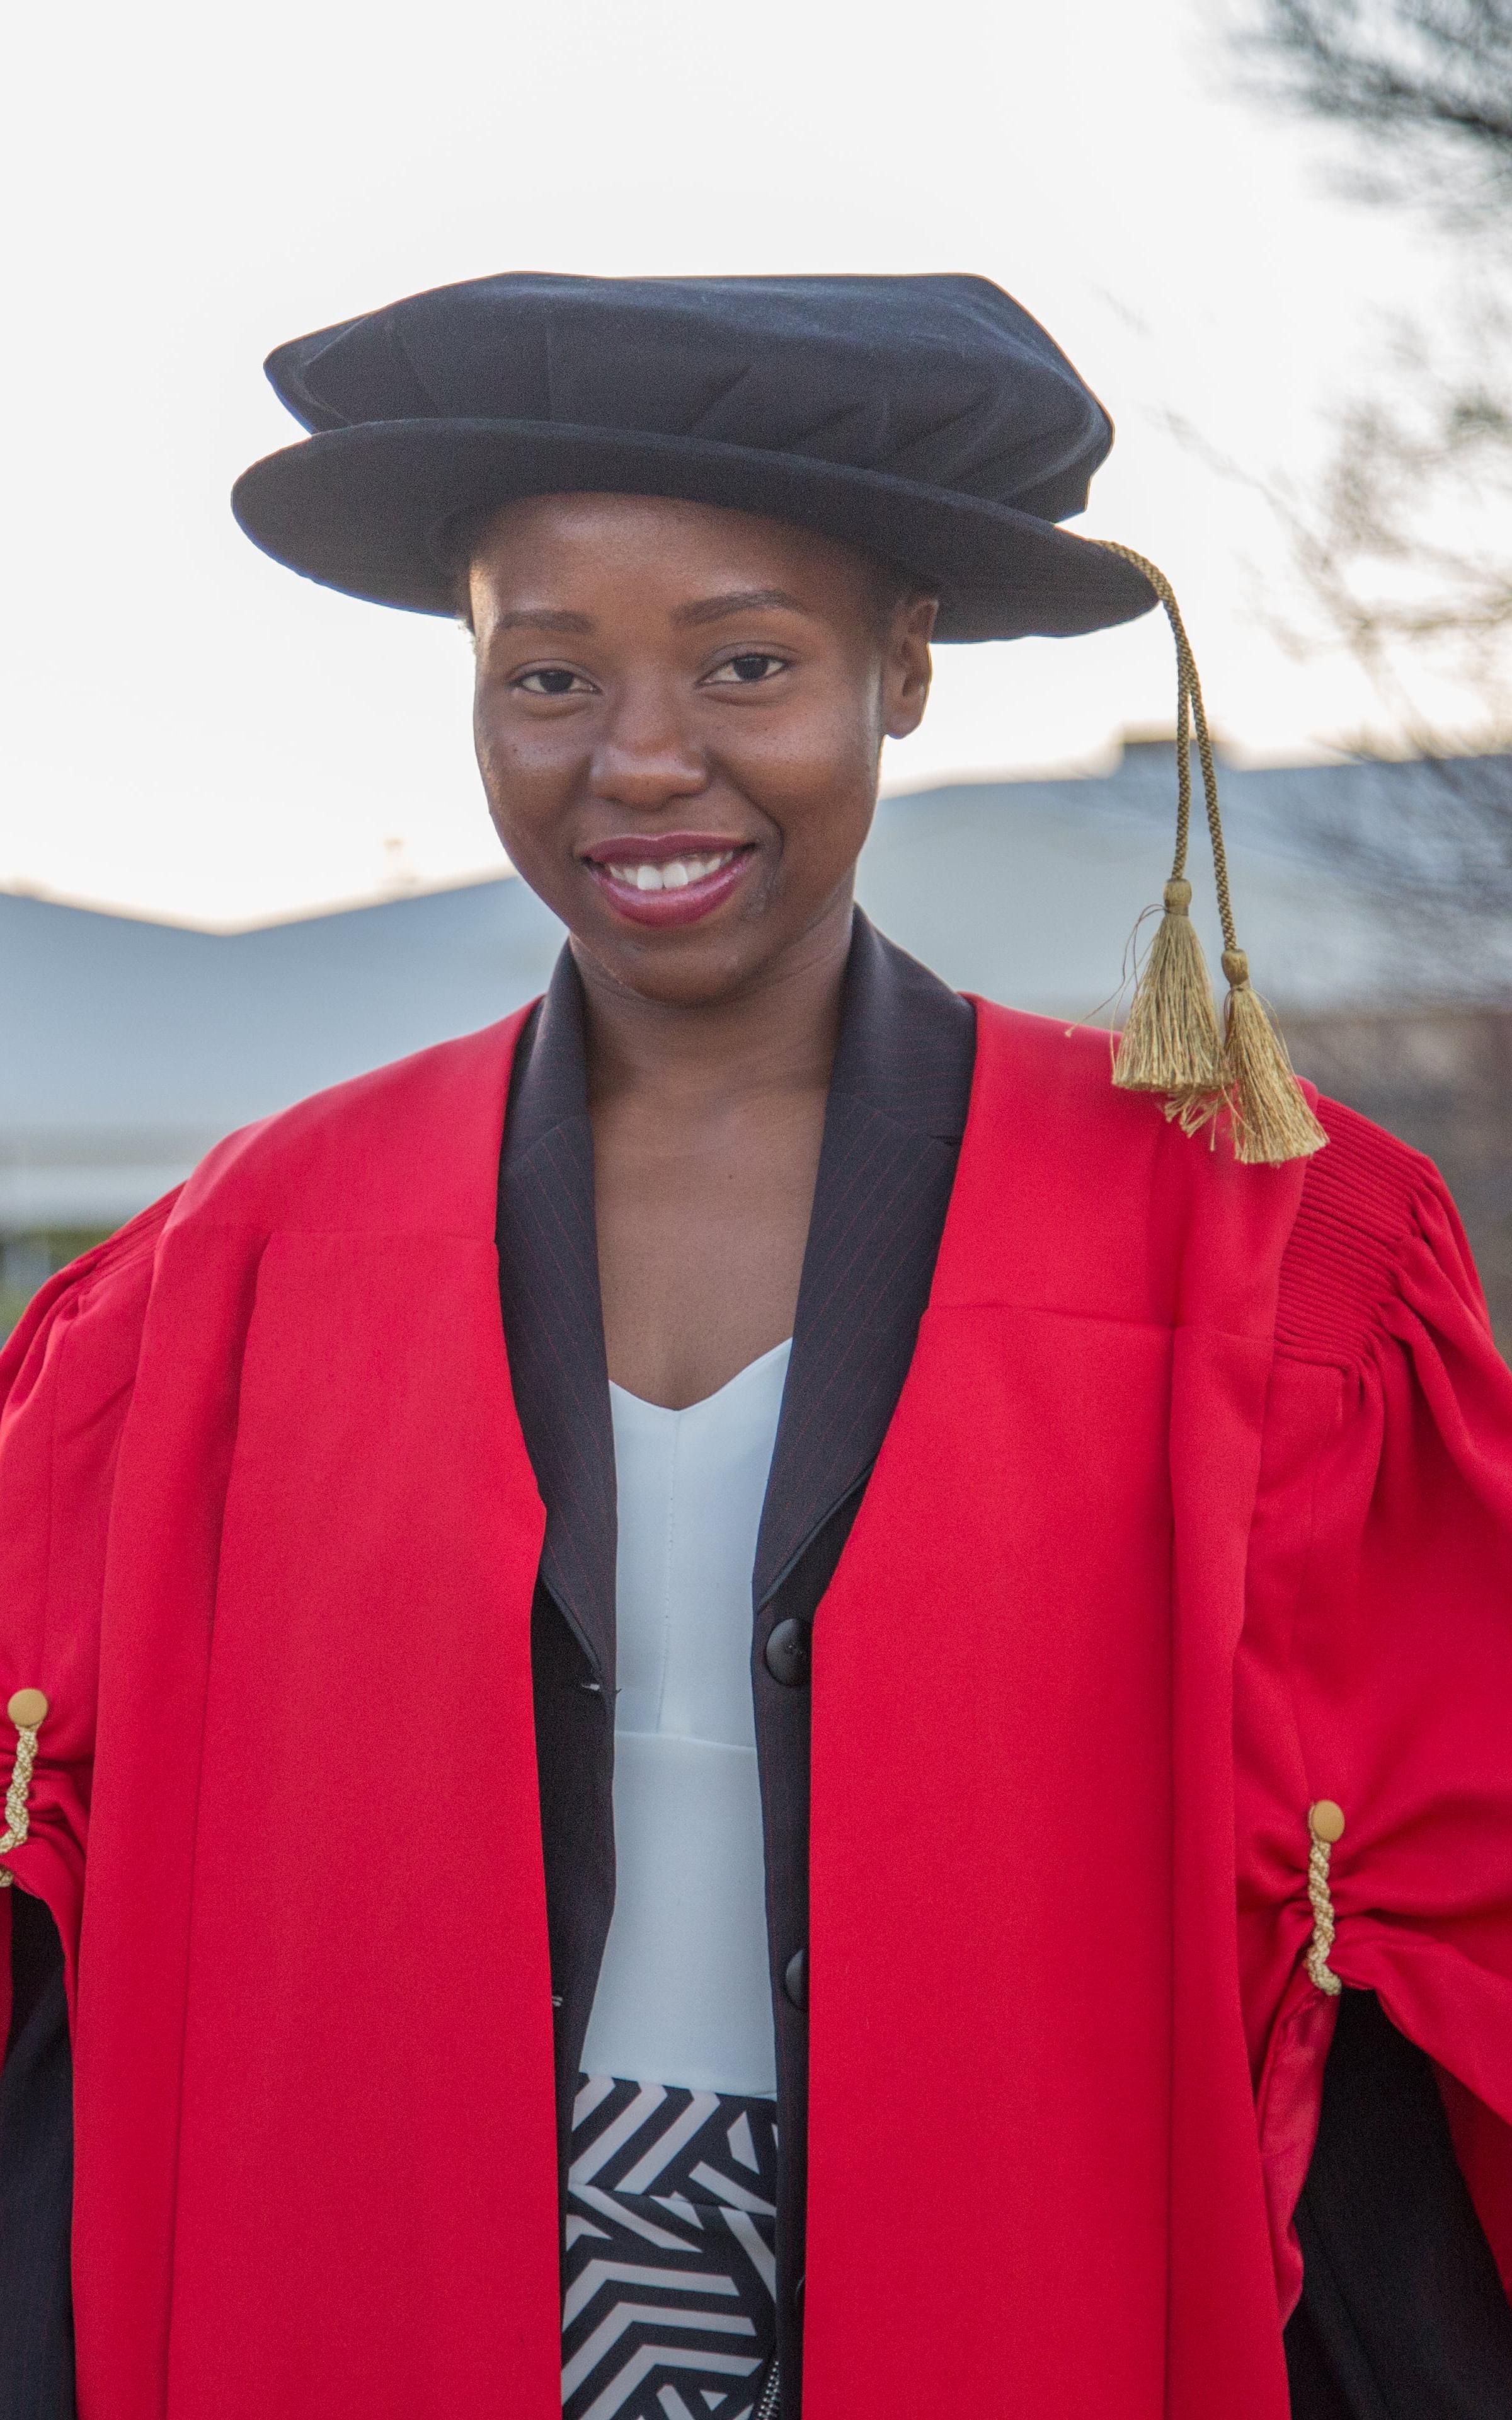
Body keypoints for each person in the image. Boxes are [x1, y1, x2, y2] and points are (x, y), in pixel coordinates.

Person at [2, 272, 1510, 2420]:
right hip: (426, 2262)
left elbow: (1445, 1874)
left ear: (901, 668)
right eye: (548, 674)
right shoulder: (235, 1264)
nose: (641, 760)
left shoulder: (1254, 1243)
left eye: (747, 663)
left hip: (1016, 2244)